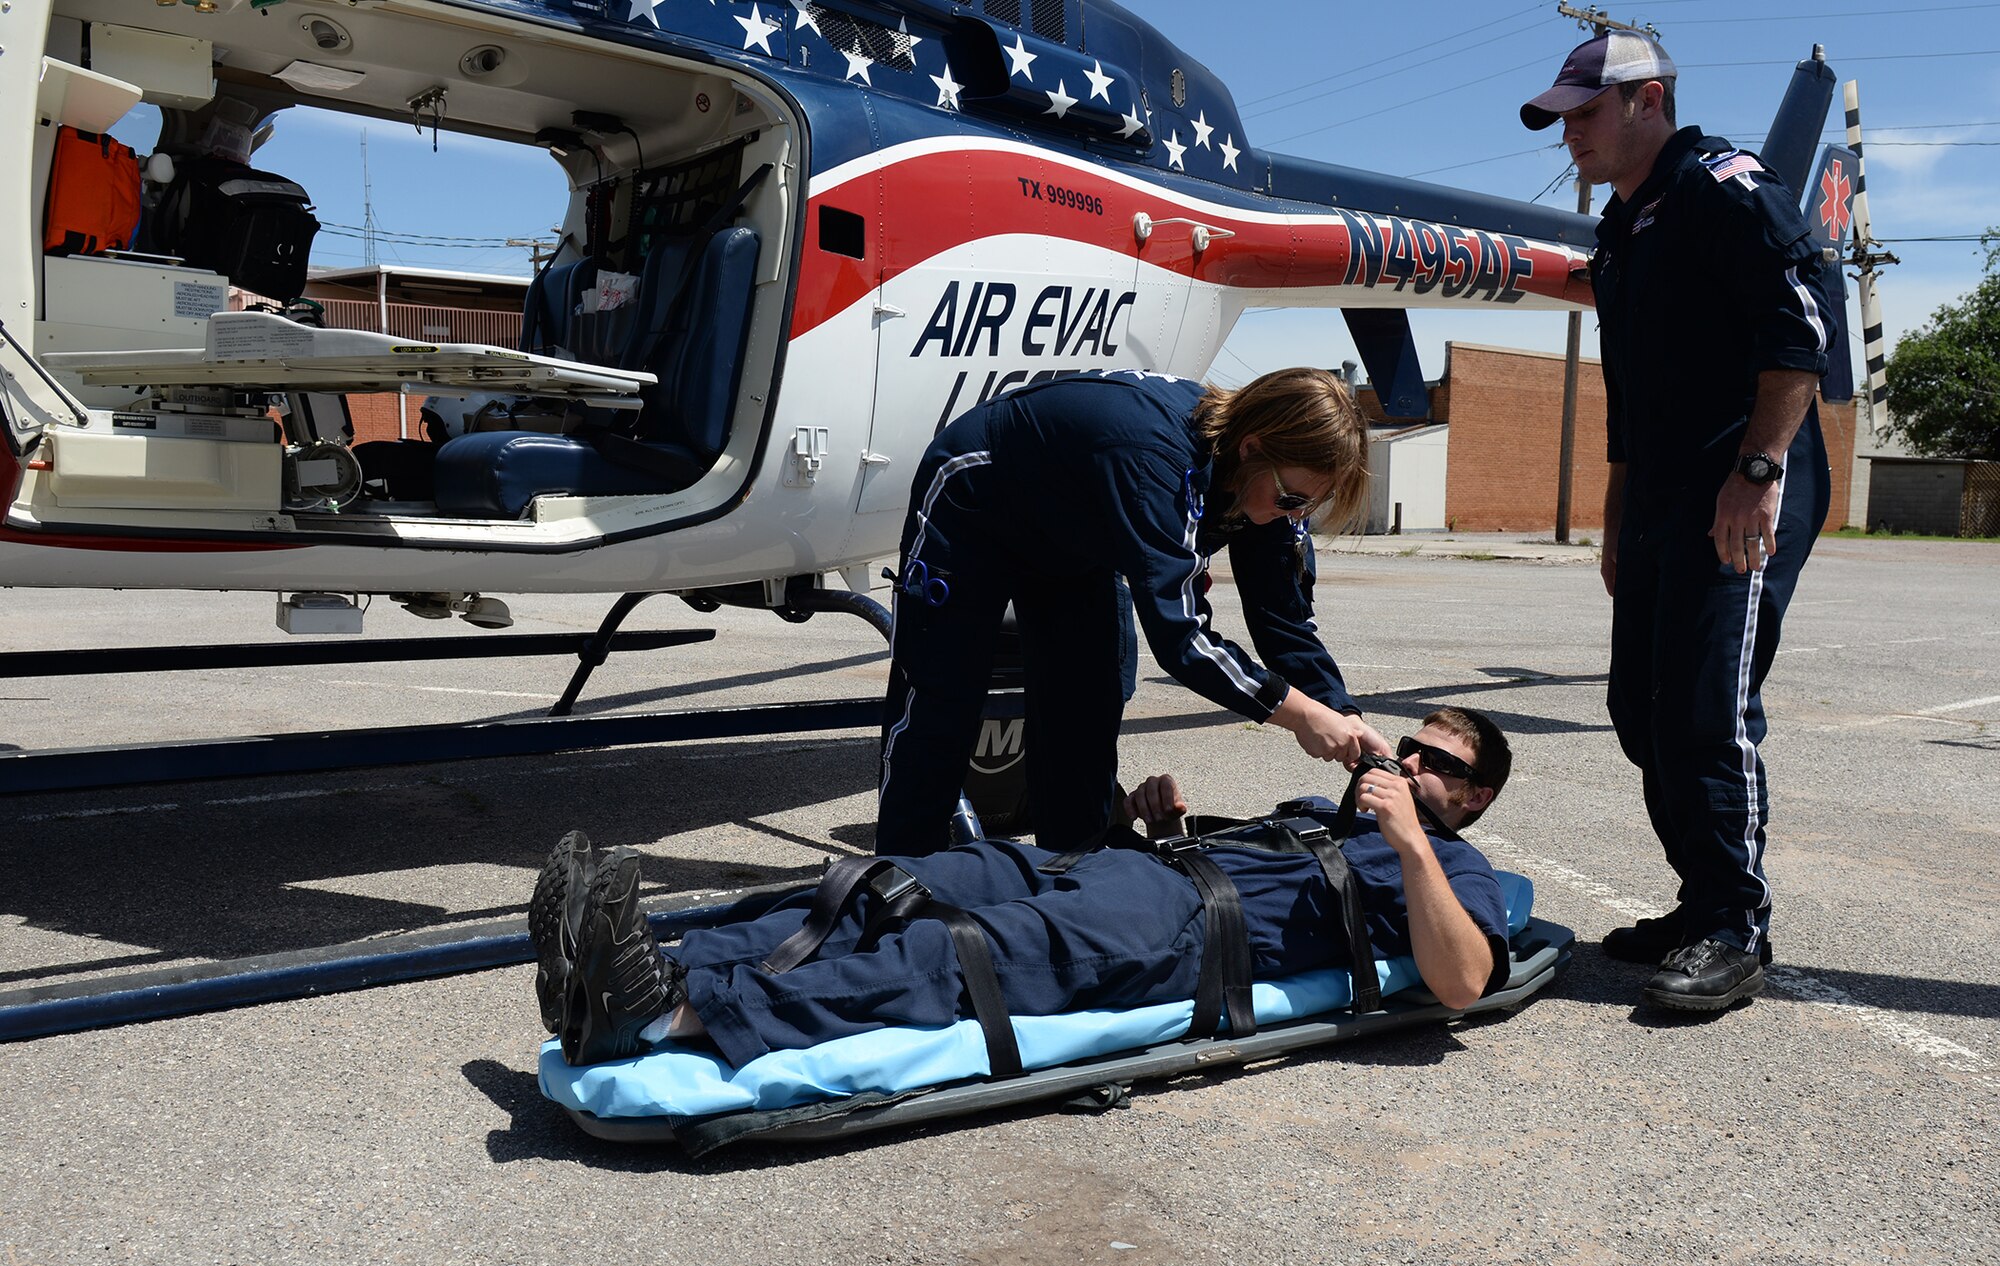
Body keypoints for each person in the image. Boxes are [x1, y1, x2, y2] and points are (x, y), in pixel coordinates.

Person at [531, 708, 1513, 1071]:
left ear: (1466, 798)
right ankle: (650, 960)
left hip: (1170, 927)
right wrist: (1149, 823)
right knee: (896, 883)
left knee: (946, 952)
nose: (1406, 755)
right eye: (1407, 739)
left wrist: (1411, 844)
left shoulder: (1450, 862)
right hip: (1128, 867)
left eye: (1434, 760)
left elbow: (1463, 980)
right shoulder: (1320, 808)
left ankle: (674, 1019)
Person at [1520, 35, 1839, 1013]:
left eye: (1583, 112)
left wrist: (1756, 469)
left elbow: (1800, 332)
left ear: (1647, 100)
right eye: (1561, 117)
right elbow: (1626, 397)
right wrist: (1614, 518)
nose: (1567, 132)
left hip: (1739, 482)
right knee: (1638, 708)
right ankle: (1698, 897)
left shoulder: (1721, 185)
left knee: (1704, 706)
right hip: (1660, 494)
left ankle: (1733, 926)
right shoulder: (1621, 230)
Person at [875, 366, 1394, 859]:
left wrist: (1339, 709)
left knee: (1085, 710)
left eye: (1309, 507)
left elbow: (1284, 619)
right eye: (1290, 501)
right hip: (978, 497)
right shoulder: (1158, 460)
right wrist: (1300, 714)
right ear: (1252, 447)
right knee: (940, 701)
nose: (1296, 517)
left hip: (1076, 535)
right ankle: (894, 885)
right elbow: (1183, 638)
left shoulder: (1272, 484)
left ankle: (1071, 877)